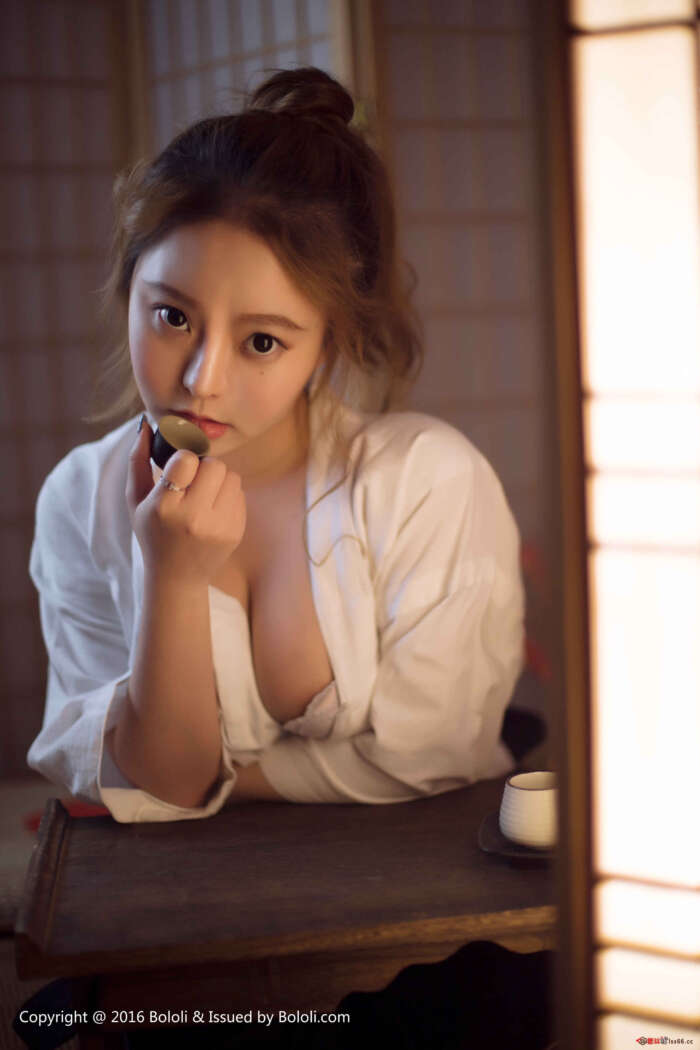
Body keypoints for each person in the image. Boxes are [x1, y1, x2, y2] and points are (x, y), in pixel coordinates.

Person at [22, 66, 556, 1050]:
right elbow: (143, 790)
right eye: (171, 315)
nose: (200, 378)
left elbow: (432, 755)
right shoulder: (81, 499)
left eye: (262, 341)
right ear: (128, 293)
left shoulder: (424, 480)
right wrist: (172, 578)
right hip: (184, 927)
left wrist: (208, 777)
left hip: (423, 933)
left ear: (328, 343)